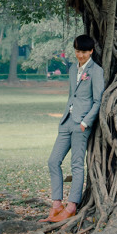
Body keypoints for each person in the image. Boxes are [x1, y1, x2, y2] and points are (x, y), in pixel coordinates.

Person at [42, 34, 105, 223]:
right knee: (53, 161)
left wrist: (85, 122)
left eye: (84, 52)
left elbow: (98, 100)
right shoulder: (72, 69)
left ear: (91, 51)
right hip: (66, 121)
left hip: (81, 124)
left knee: (76, 165)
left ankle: (71, 207)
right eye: (77, 51)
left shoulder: (96, 71)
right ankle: (56, 206)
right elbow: (72, 95)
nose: (80, 55)